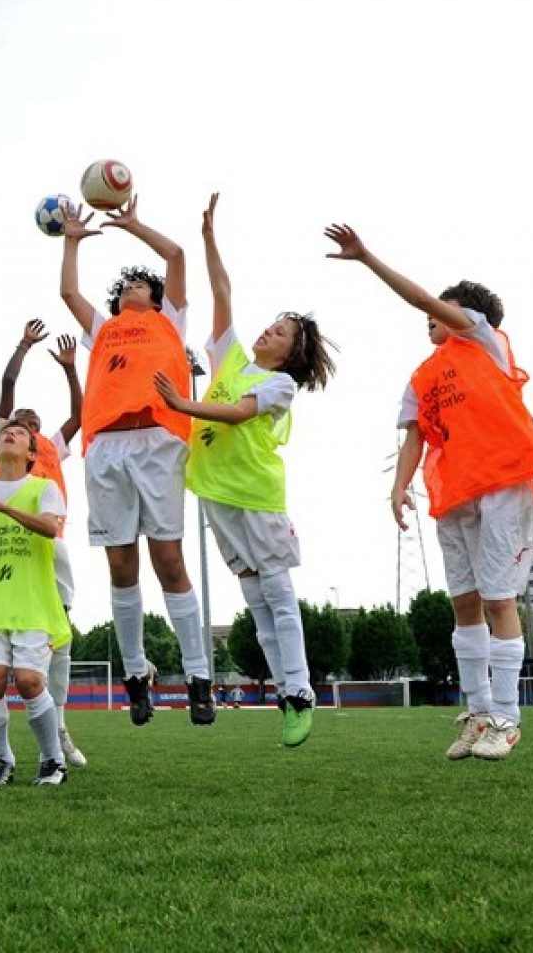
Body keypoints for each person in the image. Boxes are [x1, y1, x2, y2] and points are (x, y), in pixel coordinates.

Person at [325, 221, 533, 761]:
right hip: (453, 492)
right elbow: (414, 437)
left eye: (442, 307)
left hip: (504, 479)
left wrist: (367, 258)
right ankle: (479, 714)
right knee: (464, 603)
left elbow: (419, 298)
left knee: (500, 598)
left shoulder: (484, 340)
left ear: (468, 316)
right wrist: (397, 487)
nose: (432, 314)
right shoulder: (421, 376)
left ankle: (507, 717)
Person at [155, 194, 337, 747]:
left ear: (291, 353)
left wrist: (185, 407)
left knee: (279, 597)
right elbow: (223, 291)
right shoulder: (234, 358)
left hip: (256, 498)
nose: (266, 333)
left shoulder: (279, 385)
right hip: (217, 497)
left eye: (279, 333)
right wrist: (210, 238)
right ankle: (286, 693)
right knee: (255, 604)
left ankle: (300, 691)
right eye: (270, 326)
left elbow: (236, 414)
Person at [60, 196, 213, 726]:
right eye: (125, 287)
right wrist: (72, 240)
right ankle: (135, 676)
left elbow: (176, 254)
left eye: (138, 286)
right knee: (121, 567)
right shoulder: (102, 329)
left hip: (157, 440)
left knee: (168, 560)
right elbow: (67, 291)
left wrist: (132, 225)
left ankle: (198, 677)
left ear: (156, 296)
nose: (131, 290)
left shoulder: (171, 320)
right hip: (106, 447)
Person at [0, 318, 87, 767]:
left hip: (47, 543)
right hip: (9, 551)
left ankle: (55, 724)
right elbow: (8, 383)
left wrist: (71, 370)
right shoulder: (4, 449)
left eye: (34, 424)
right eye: (21, 421)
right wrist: (23, 345)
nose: (29, 423)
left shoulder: (50, 449)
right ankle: (9, 718)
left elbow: (79, 415)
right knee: (14, 645)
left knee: (61, 632)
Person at [0, 420, 72, 787]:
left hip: (32, 603)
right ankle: (2, 761)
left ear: (32, 454)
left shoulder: (44, 487)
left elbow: (49, 528)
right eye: (5, 432)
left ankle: (53, 760)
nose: (11, 434)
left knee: (28, 681)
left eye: (21, 434)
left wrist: (0, 506)